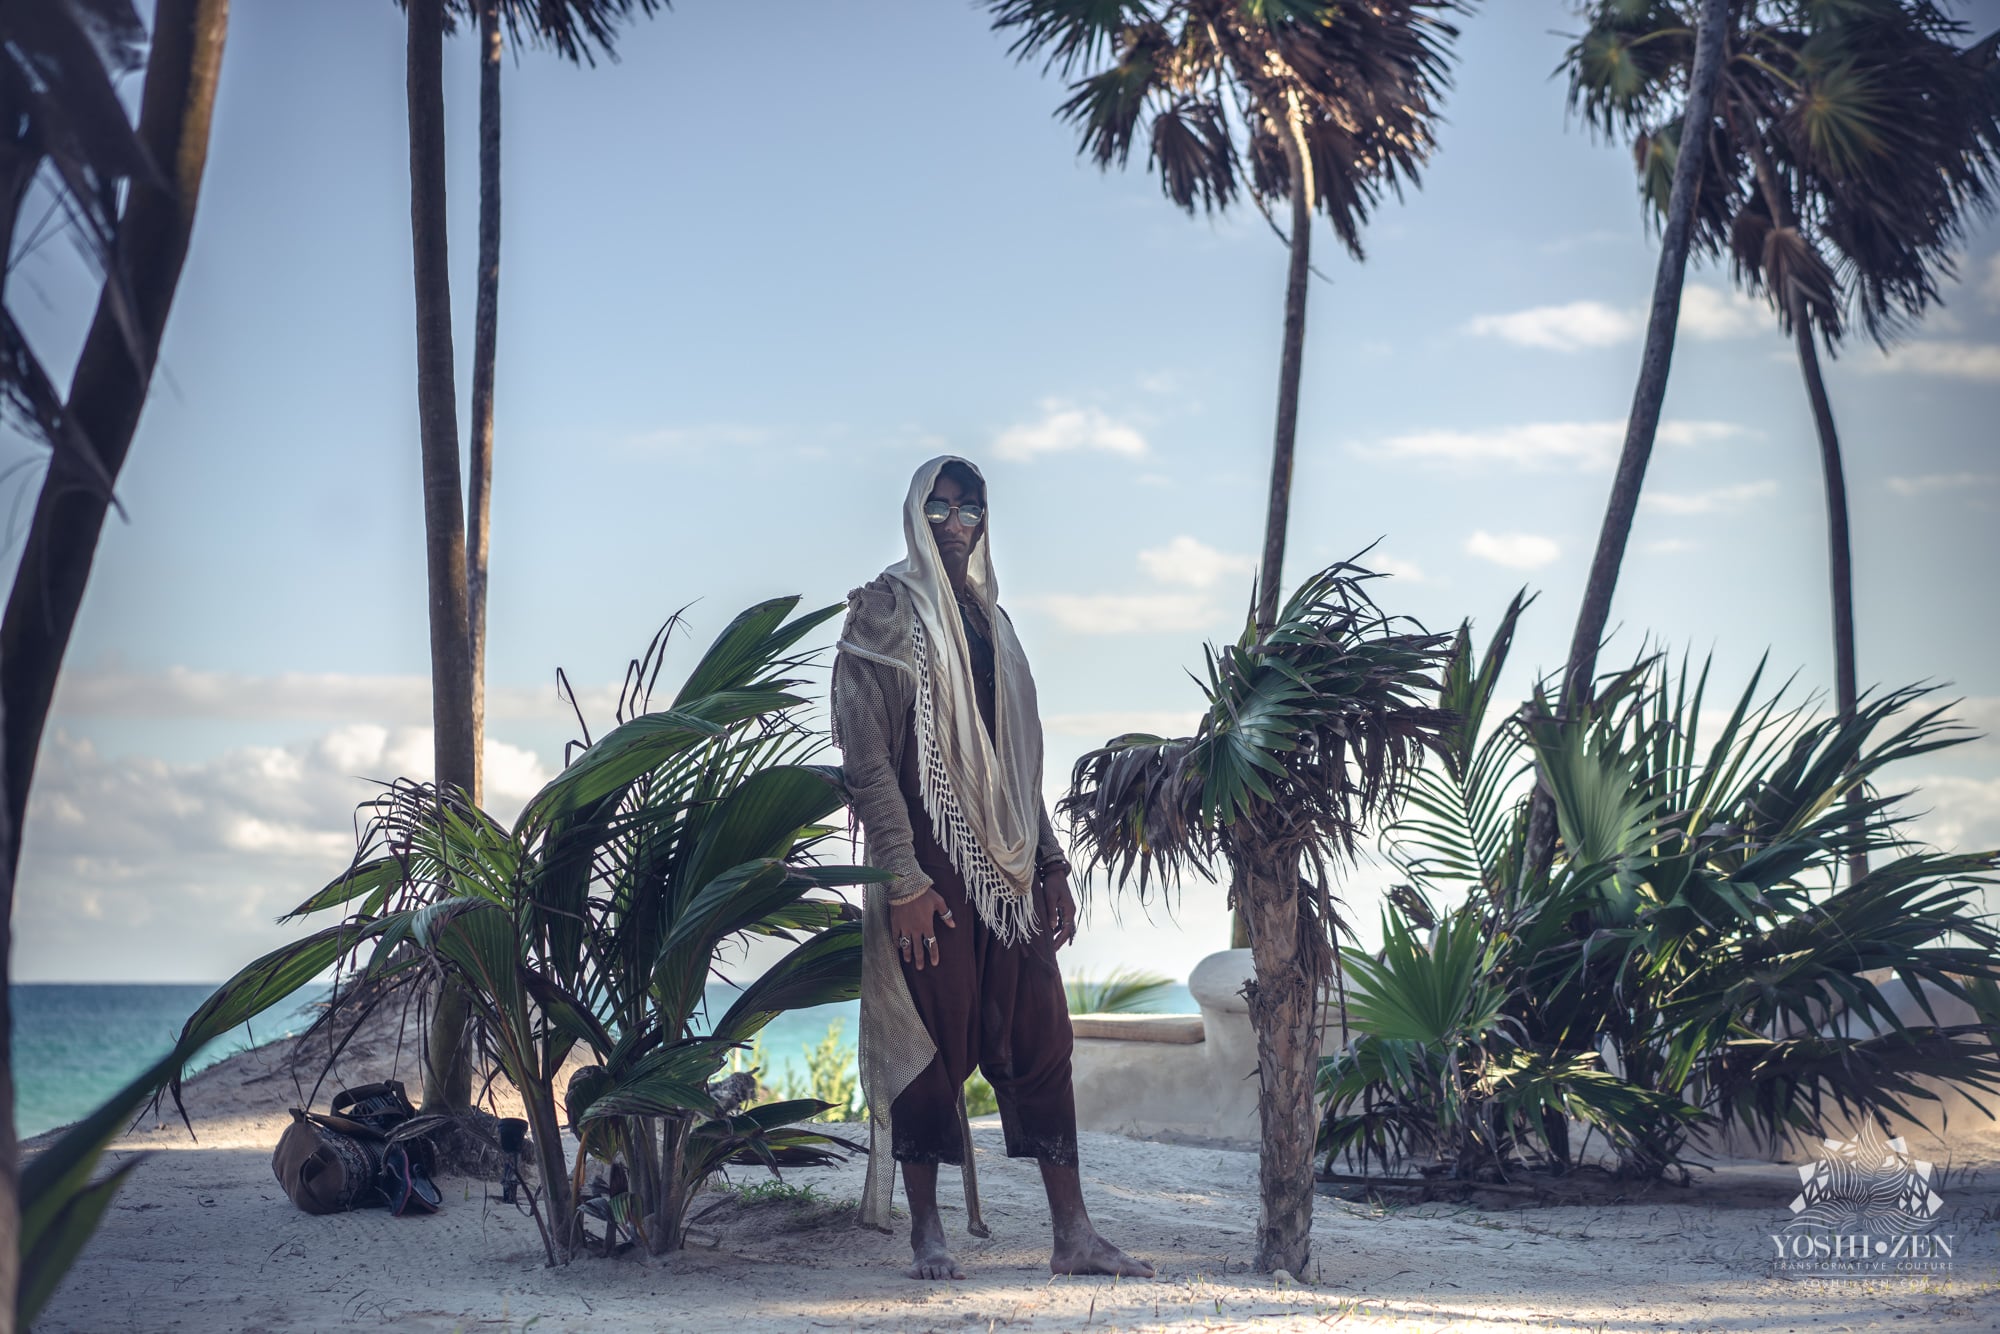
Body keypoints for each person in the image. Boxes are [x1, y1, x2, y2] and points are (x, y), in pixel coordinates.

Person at [832, 455, 1153, 1283]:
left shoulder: (995, 626)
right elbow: (868, 764)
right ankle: (927, 1233)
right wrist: (902, 879)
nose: (955, 520)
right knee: (929, 1043)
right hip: (928, 867)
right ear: (914, 513)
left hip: (1008, 871)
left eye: (969, 506)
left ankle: (1073, 1234)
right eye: (937, 505)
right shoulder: (882, 614)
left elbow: (1016, 767)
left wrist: (1051, 864)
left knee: (1044, 1034)